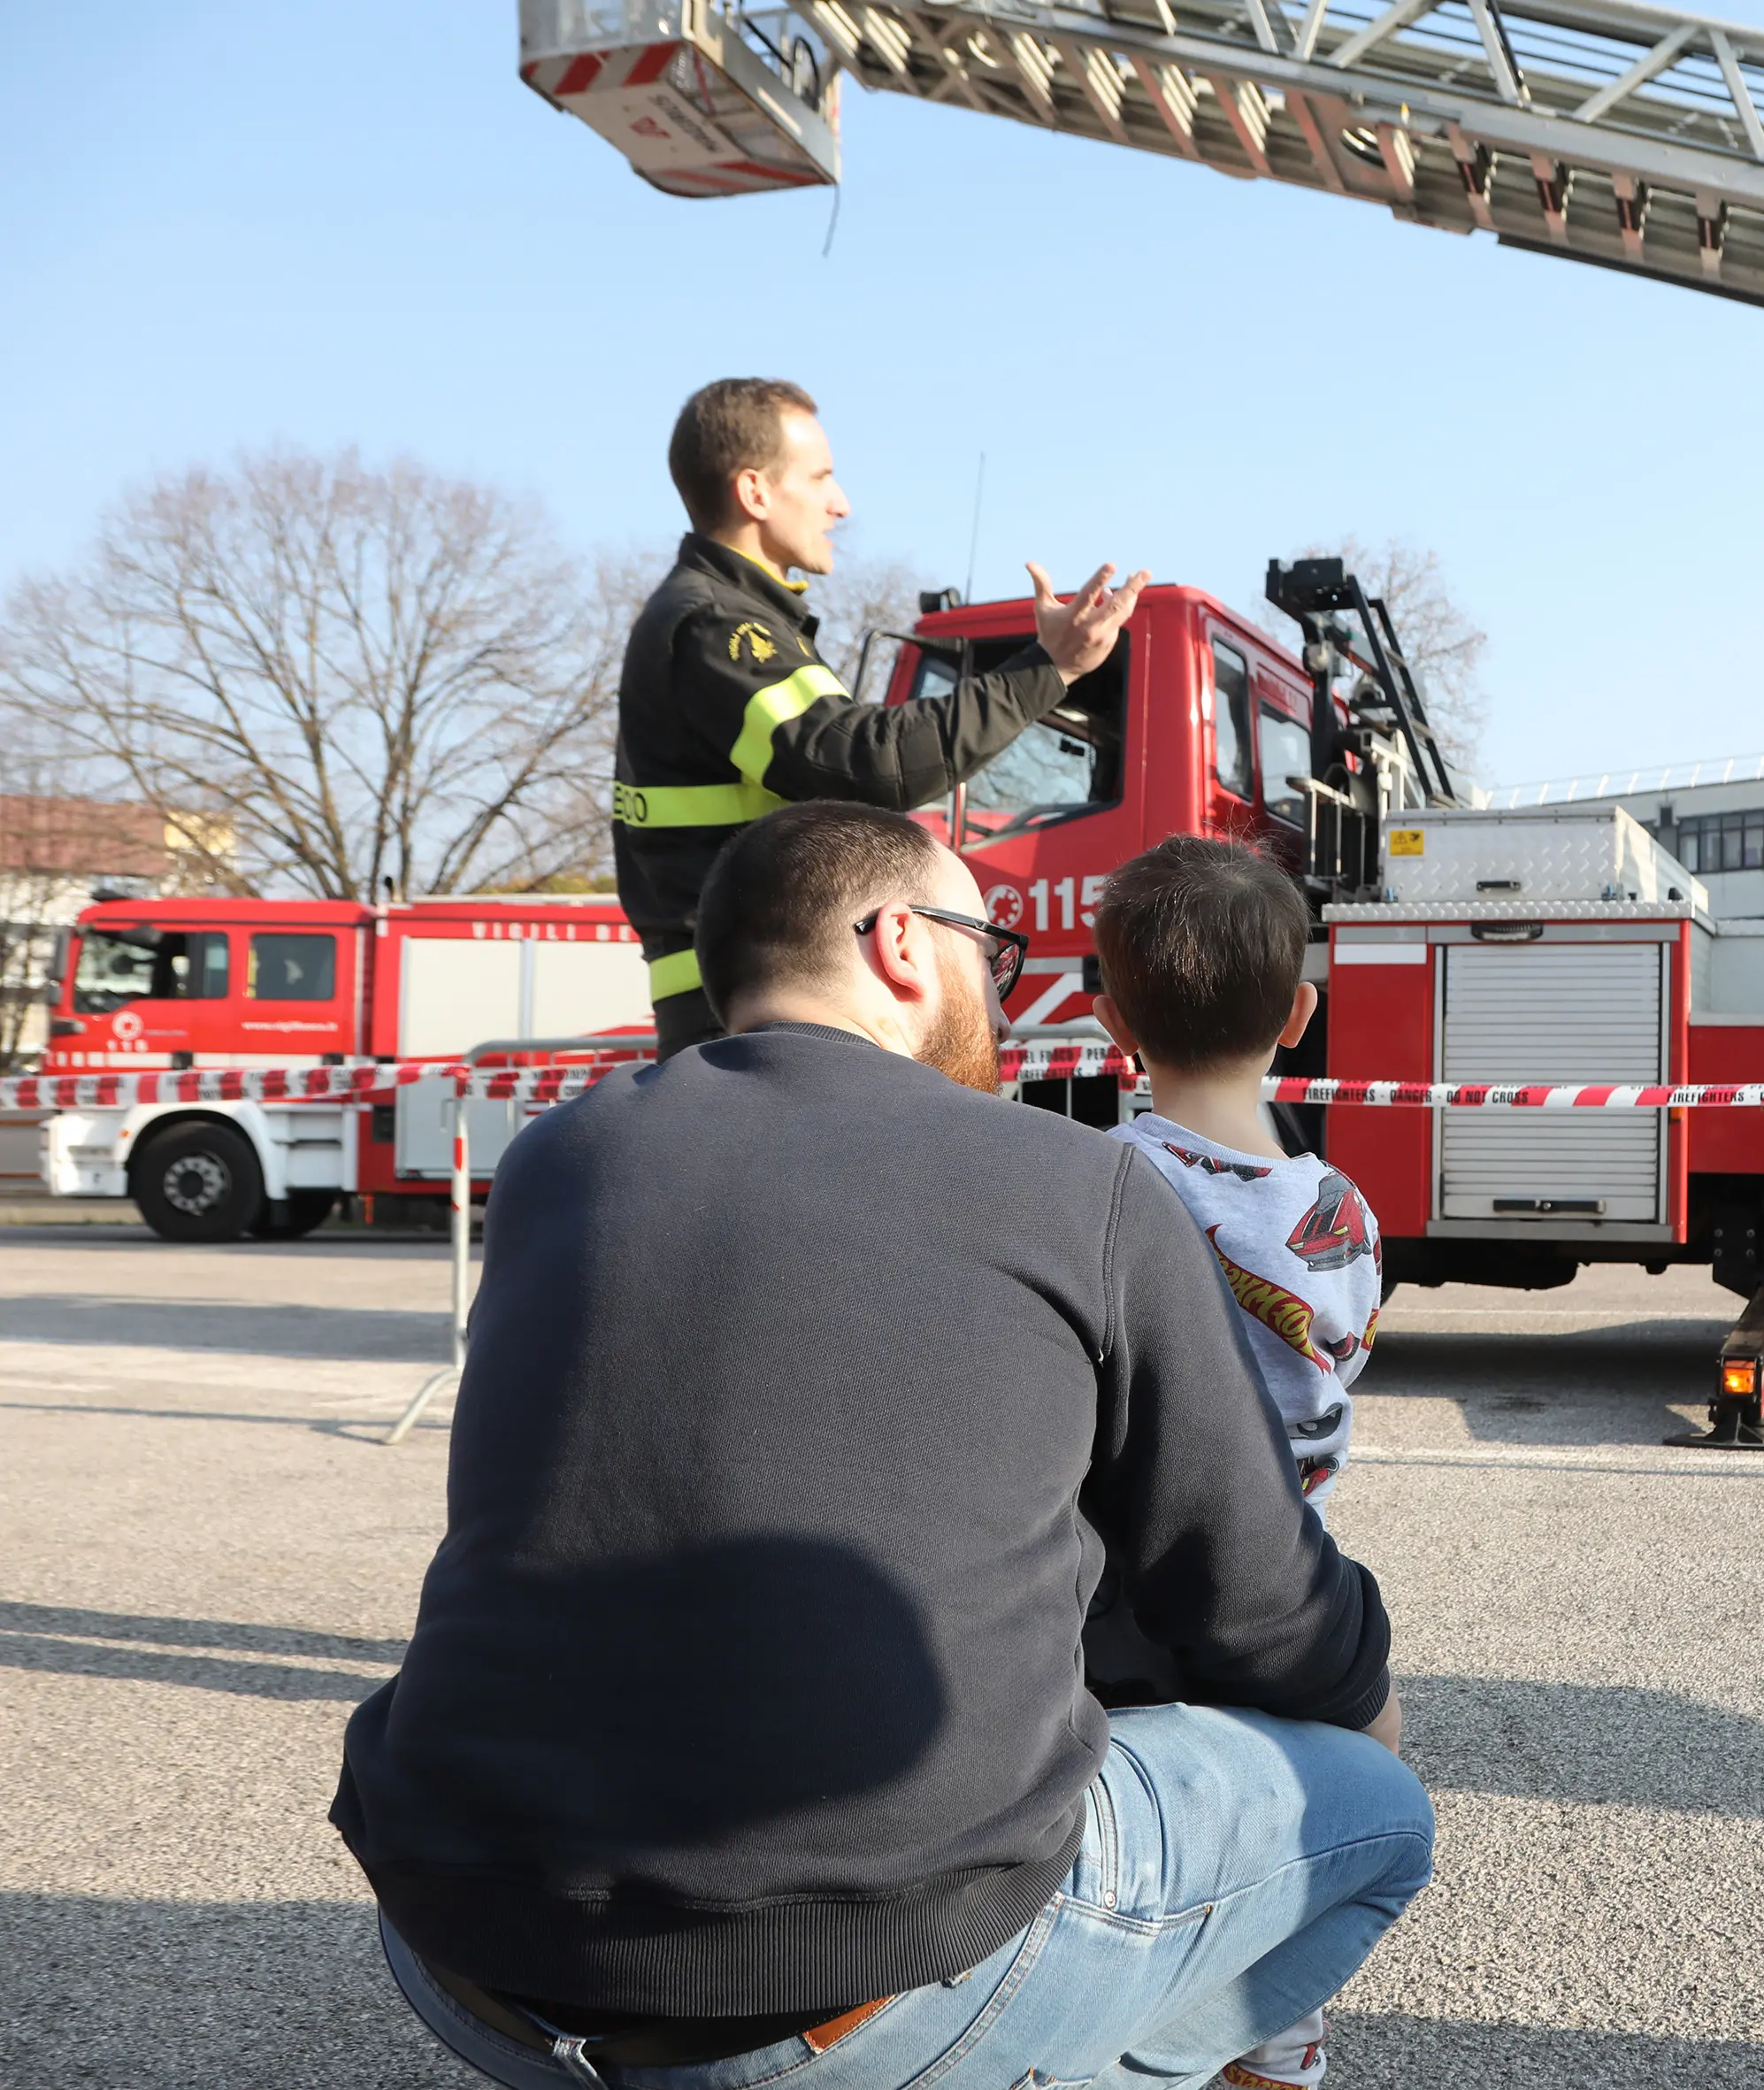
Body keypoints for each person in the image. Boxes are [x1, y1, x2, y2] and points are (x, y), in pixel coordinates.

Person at [332, 799, 1429, 2089]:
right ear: (902, 941)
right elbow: (1254, 1600)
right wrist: (1367, 1715)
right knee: (1377, 1816)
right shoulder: (1077, 1183)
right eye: (991, 950)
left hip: (461, 1955)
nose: (1002, 997)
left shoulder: (558, 1157)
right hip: (854, 1998)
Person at [1085, 836, 1384, 2090]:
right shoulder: (1343, 1213)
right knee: (1287, 1841)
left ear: (1109, 1020)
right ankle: (1268, 2047)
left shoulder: (1107, 1181)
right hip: (1291, 1580)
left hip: (1126, 1594)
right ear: (1298, 1015)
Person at [614, 376, 1149, 1057]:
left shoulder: (721, 620)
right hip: (750, 1008)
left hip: (746, 1003)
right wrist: (1049, 669)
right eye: (820, 477)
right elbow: (864, 761)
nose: (840, 504)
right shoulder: (718, 625)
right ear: (755, 492)